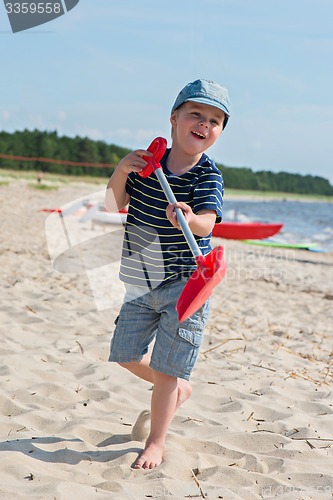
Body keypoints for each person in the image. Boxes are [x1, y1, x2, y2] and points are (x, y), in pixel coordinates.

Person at [105, 79, 230, 469]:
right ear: (174, 118)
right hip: (141, 278)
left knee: (164, 370)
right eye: (196, 114)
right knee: (124, 353)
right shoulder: (146, 166)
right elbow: (112, 204)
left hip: (185, 283)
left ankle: (156, 441)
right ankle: (178, 387)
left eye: (214, 120)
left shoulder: (206, 176)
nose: (203, 124)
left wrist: (190, 219)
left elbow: (208, 224)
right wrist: (122, 169)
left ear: (219, 132)